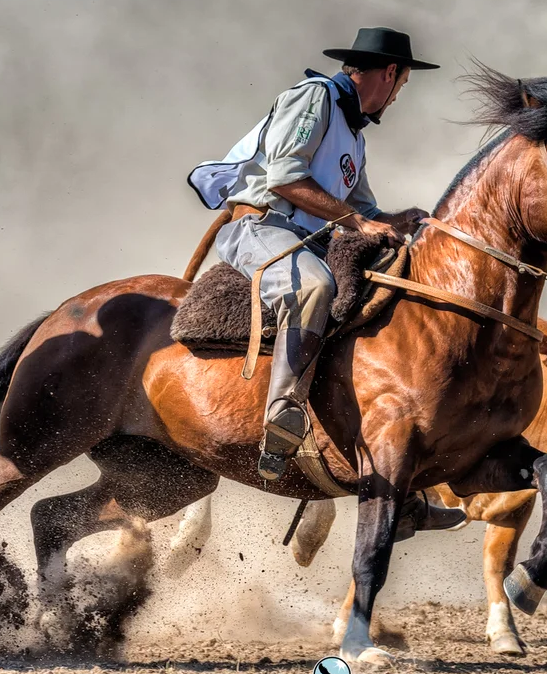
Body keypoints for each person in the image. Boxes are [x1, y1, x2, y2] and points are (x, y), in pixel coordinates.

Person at [188, 27, 467, 535]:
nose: (399, 96)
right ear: (389, 73)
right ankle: (283, 411)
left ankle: (402, 482)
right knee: (313, 286)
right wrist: (360, 223)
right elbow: (285, 178)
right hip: (261, 228)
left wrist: (399, 220)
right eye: (402, 85)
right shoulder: (315, 97)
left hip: (308, 239)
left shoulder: (354, 135)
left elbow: (361, 209)